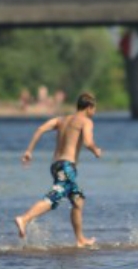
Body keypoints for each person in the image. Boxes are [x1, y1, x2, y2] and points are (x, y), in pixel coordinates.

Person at [14, 92, 103, 247]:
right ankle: (24, 219)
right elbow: (88, 142)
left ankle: (80, 239)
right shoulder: (86, 121)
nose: (94, 113)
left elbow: (41, 129)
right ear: (89, 107)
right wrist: (96, 150)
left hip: (56, 165)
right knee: (54, 197)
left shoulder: (62, 120)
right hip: (67, 166)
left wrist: (29, 151)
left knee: (78, 200)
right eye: (94, 109)